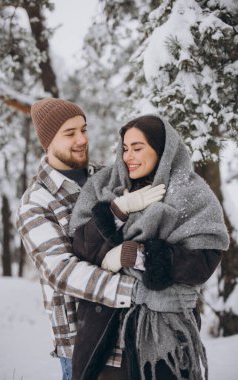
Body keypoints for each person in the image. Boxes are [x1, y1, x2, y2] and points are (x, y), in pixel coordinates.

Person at [69, 115, 230, 379]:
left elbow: (203, 261)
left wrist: (136, 255)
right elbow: (81, 247)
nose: (128, 156)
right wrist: (118, 209)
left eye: (138, 147)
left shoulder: (191, 193)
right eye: (125, 148)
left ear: (163, 150)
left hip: (164, 336)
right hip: (105, 332)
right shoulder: (105, 185)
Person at [16, 98, 140, 380]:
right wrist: (134, 291)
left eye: (83, 129)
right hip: (82, 344)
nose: (82, 139)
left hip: (132, 331)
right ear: (47, 142)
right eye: (70, 133)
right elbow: (62, 272)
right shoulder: (36, 202)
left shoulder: (108, 176)